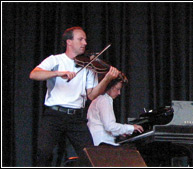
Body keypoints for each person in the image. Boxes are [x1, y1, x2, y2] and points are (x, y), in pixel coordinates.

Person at [29, 26, 120, 166]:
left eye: (85, 40)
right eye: (80, 39)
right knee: (43, 152)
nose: (85, 43)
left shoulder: (89, 66)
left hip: (76, 117)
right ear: (69, 42)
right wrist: (58, 73)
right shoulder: (55, 60)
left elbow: (92, 95)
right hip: (54, 115)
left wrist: (107, 78)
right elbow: (34, 74)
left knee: (90, 155)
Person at [87, 76, 144, 146]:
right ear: (109, 87)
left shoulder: (99, 99)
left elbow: (105, 126)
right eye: (117, 89)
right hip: (103, 144)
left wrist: (120, 132)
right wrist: (131, 128)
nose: (119, 93)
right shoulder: (104, 100)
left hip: (99, 141)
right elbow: (109, 126)